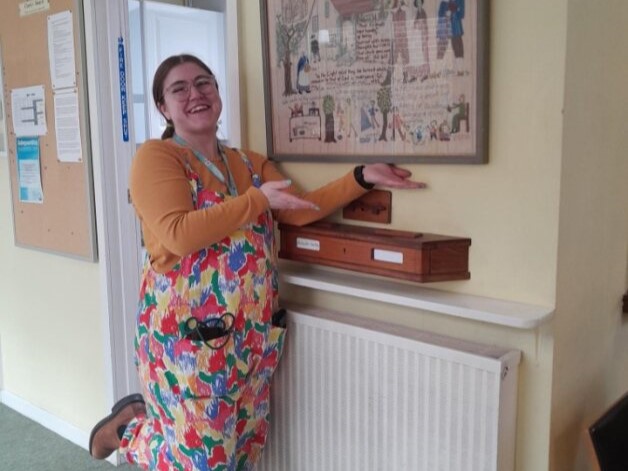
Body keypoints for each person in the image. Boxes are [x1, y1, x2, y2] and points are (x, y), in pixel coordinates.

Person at [88, 54, 426, 470]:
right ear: (163, 107)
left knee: (243, 451)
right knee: (202, 459)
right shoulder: (157, 159)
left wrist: (361, 177)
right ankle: (128, 430)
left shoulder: (247, 163)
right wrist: (258, 199)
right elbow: (179, 232)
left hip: (248, 339)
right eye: (180, 89)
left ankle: (142, 425)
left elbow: (300, 208)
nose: (196, 94)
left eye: (204, 83)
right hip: (186, 343)